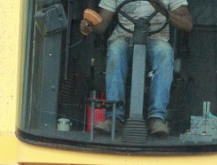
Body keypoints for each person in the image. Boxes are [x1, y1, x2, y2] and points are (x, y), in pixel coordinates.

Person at [80, 0, 192, 137]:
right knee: (115, 50)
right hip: (124, 37)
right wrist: (89, 26)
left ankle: (157, 118)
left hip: (157, 39)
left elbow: (187, 24)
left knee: (165, 53)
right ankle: (113, 117)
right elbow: (101, 26)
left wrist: (161, 8)